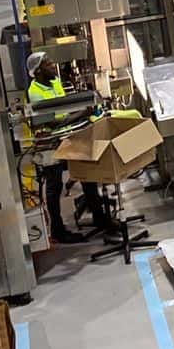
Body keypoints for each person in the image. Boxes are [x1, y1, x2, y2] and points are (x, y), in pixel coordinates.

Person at [25, 52, 113, 244]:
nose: (52, 65)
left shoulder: (55, 82)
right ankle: (57, 229)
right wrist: (82, 112)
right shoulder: (35, 92)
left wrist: (82, 111)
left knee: (86, 173)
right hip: (50, 142)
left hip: (68, 136)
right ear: (38, 71)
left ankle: (99, 216)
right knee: (54, 185)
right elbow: (53, 122)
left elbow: (65, 109)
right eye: (48, 64)